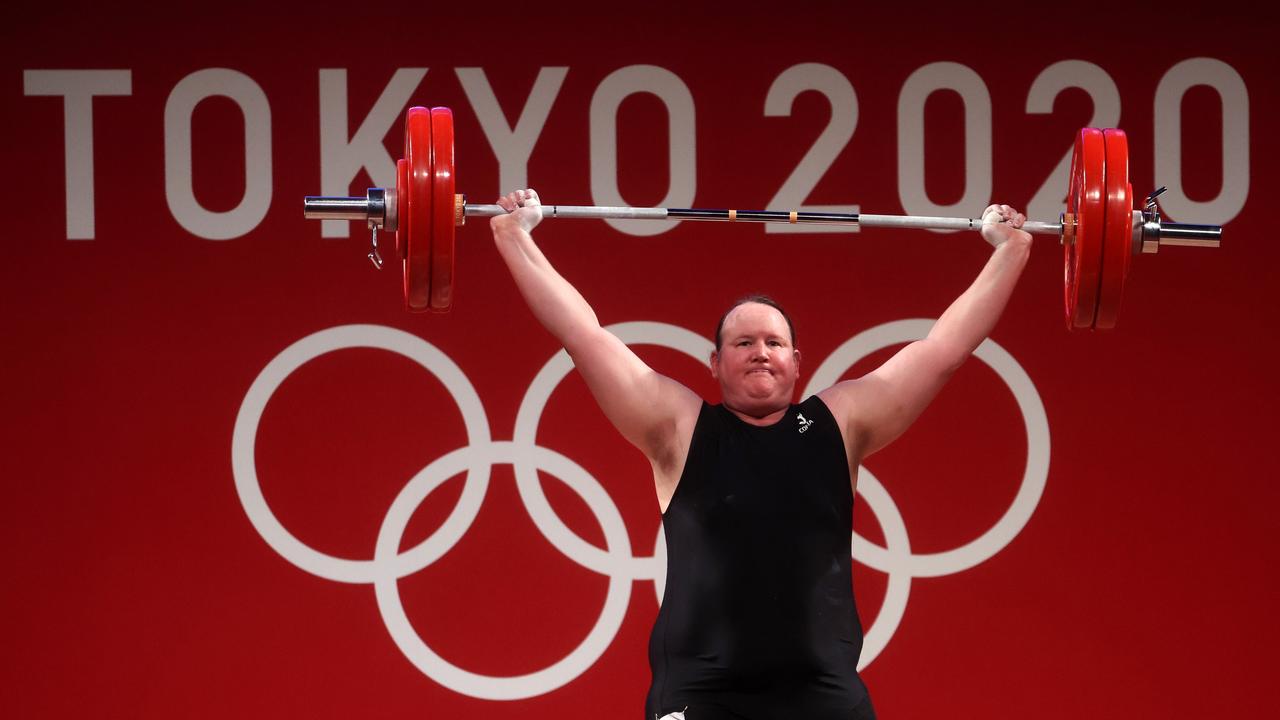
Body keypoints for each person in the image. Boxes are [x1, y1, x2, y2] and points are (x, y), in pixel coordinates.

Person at [489, 188, 1032, 720]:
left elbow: (942, 352)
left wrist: (1011, 251)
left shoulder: (840, 423)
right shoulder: (678, 428)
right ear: (715, 363)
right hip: (701, 695)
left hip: (822, 694)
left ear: (797, 362)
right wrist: (514, 237)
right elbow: (585, 337)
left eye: (773, 343)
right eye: (743, 344)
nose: (760, 354)